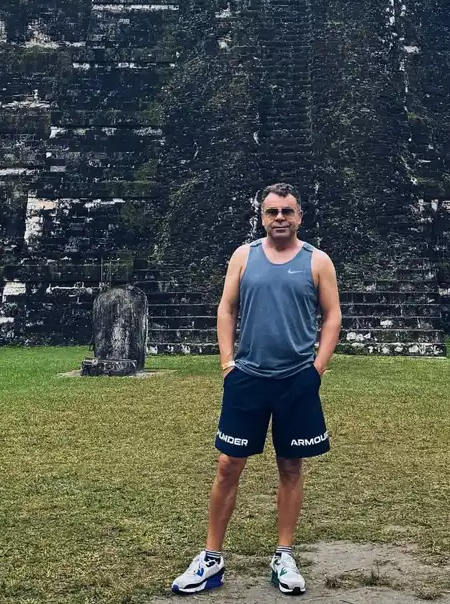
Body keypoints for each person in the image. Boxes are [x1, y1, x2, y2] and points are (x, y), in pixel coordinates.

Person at [171, 183, 342, 596]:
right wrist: (227, 363)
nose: (279, 218)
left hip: (296, 379)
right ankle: (211, 558)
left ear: (300, 216)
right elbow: (226, 308)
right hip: (247, 377)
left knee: (291, 466)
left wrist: (316, 368)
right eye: (271, 212)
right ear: (261, 217)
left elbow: (332, 316)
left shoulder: (317, 261)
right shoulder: (243, 256)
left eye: (287, 211)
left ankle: (284, 554)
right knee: (228, 464)